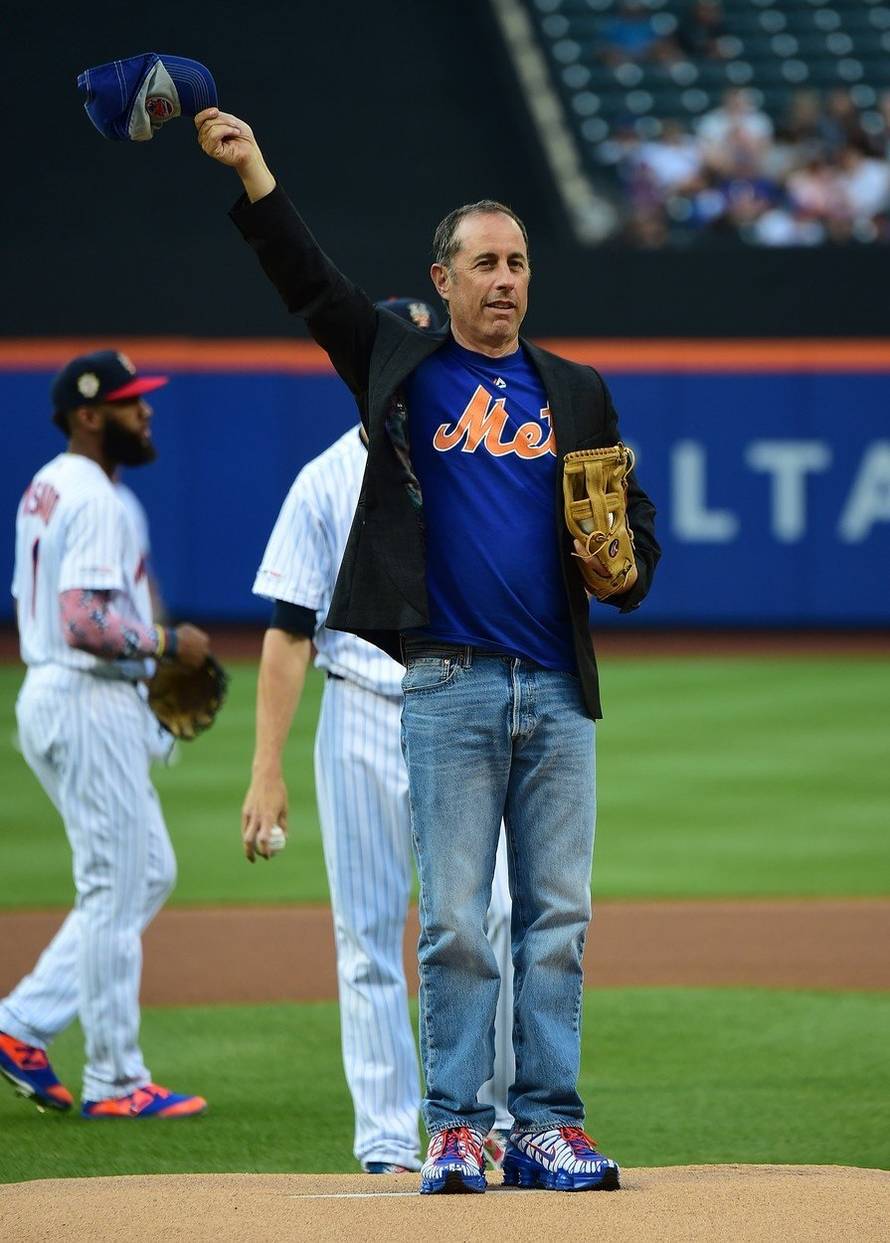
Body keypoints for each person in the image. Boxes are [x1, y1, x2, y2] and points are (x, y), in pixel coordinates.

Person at [195, 107, 660, 1194]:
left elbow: (630, 543)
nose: (504, 279)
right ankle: (451, 1123)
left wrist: (619, 567)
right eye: (483, 263)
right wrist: (256, 167)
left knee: (555, 921)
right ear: (442, 280)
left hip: (552, 687)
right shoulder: (400, 375)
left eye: (518, 262)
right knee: (454, 920)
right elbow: (307, 280)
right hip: (444, 684)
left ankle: (543, 1122)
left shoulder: (575, 391)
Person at [242, 298, 515, 1173]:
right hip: (358, 709)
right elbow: (289, 630)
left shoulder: (474, 461)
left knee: (495, 915)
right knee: (367, 932)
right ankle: (392, 1138)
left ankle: (501, 1120)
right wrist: (265, 769)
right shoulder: (322, 481)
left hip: (463, 706)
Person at [0, 350, 210, 1119]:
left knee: (145, 870)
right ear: (89, 414)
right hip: (84, 696)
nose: (145, 411)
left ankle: (19, 1025)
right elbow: (84, 621)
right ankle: (117, 1080)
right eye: (129, 402)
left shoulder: (53, 484)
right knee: (113, 883)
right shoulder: (96, 499)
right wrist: (166, 645)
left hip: (61, 695)